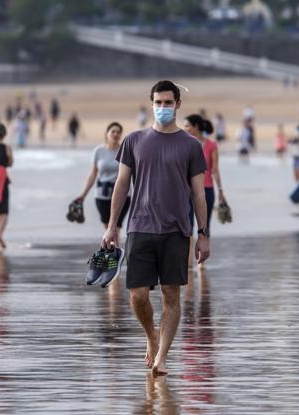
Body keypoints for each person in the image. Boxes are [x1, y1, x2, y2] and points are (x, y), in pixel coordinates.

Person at [102, 80, 210, 376]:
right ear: (152, 104)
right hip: (139, 226)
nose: (163, 107)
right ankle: (151, 336)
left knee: (171, 295)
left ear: (178, 105)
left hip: (177, 230)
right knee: (137, 295)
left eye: (168, 102)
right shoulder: (134, 140)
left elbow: (199, 193)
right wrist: (112, 226)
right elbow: (122, 185)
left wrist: (203, 234)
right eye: (158, 102)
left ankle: (162, 357)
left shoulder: (191, 145)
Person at [76, 122, 131, 241]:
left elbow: (131, 173)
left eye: (118, 132)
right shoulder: (98, 151)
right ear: (107, 134)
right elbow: (93, 174)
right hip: (102, 195)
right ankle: (112, 252)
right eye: (113, 131)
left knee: (116, 226)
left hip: (122, 195)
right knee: (107, 226)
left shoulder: (125, 150)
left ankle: (115, 253)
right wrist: (82, 195)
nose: (116, 134)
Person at [183, 114, 227, 234]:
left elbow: (215, 170)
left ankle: (203, 252)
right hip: (188, 191)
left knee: (204, 228)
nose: (184, 129)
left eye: (187, 126)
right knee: (187, 227)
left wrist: (221, 191)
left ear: (196, 127)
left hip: (207, 190)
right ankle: (189, 253)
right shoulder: (184, 145)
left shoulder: (211, 146)